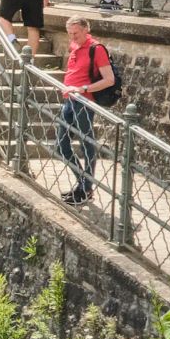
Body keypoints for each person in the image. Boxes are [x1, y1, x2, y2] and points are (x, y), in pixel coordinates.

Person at [56, 17, 117, 205]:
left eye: (76, 33)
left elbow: (109, 79)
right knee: (61, 146)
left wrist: (82, 89)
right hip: (70, 101)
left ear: (85, 30)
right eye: (70, 33)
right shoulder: (75, 46)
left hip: (84, 102)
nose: (73, 37)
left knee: (86, 143)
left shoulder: (96, 49)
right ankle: (83, 183)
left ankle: (86, 188)